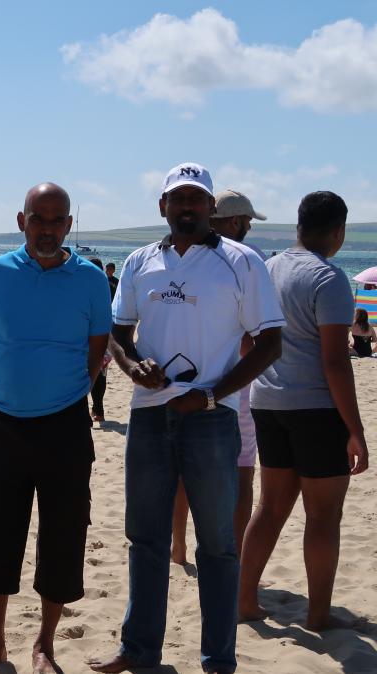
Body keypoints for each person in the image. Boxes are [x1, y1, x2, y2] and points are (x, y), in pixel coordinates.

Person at [89, 163, 284, 674]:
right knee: (145, 538)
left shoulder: (241, 262)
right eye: (178, 198)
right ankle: (138, 649)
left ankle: (218, 659)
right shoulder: (139, 261)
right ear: (163, 206)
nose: (187, 206)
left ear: (211, 207)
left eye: (197, 198)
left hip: (212, 421)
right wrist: (133, 366)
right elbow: (118, 332)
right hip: (148, 418)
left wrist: (212, 396)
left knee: (217, 545)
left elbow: (270, 342)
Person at [0, 184, 110, 674]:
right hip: (0, 425)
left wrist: (62, 394)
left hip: (65, 427)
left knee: (63, 536)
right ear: (21, 221)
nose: (47, 229)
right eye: (38, 218)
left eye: (56, 220)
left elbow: (97, 350)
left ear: (68, 224)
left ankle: (45, 644)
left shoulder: (91, 280)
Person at [239, 191, 369, 631]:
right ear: (339, 231)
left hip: (267, 402)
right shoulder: (328, 278)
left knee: (270, 508)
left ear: (299, 225)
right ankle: (318, 614)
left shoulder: (268, 268)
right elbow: (335, 362)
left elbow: (248, 340)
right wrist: (356, 430)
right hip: (314, 408)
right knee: (323, 516)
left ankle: (244, 600)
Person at [171, 188, 269, 564]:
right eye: (248, 222)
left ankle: (179, 547)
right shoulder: (248, 259)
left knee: (183, 471)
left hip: (190, 375)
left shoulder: (186, 256)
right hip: (236, 382)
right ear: (235, 221)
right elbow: (256, 335)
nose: (249, 228)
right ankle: (235, 554)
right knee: (242, 473)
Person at [86, 258, 112, 423]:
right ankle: (97, 411)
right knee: (99, 375)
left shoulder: (82, 285)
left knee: (88, 376)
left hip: (89, 339)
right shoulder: (107, 284)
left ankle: (95, 411)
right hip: (103, 338)